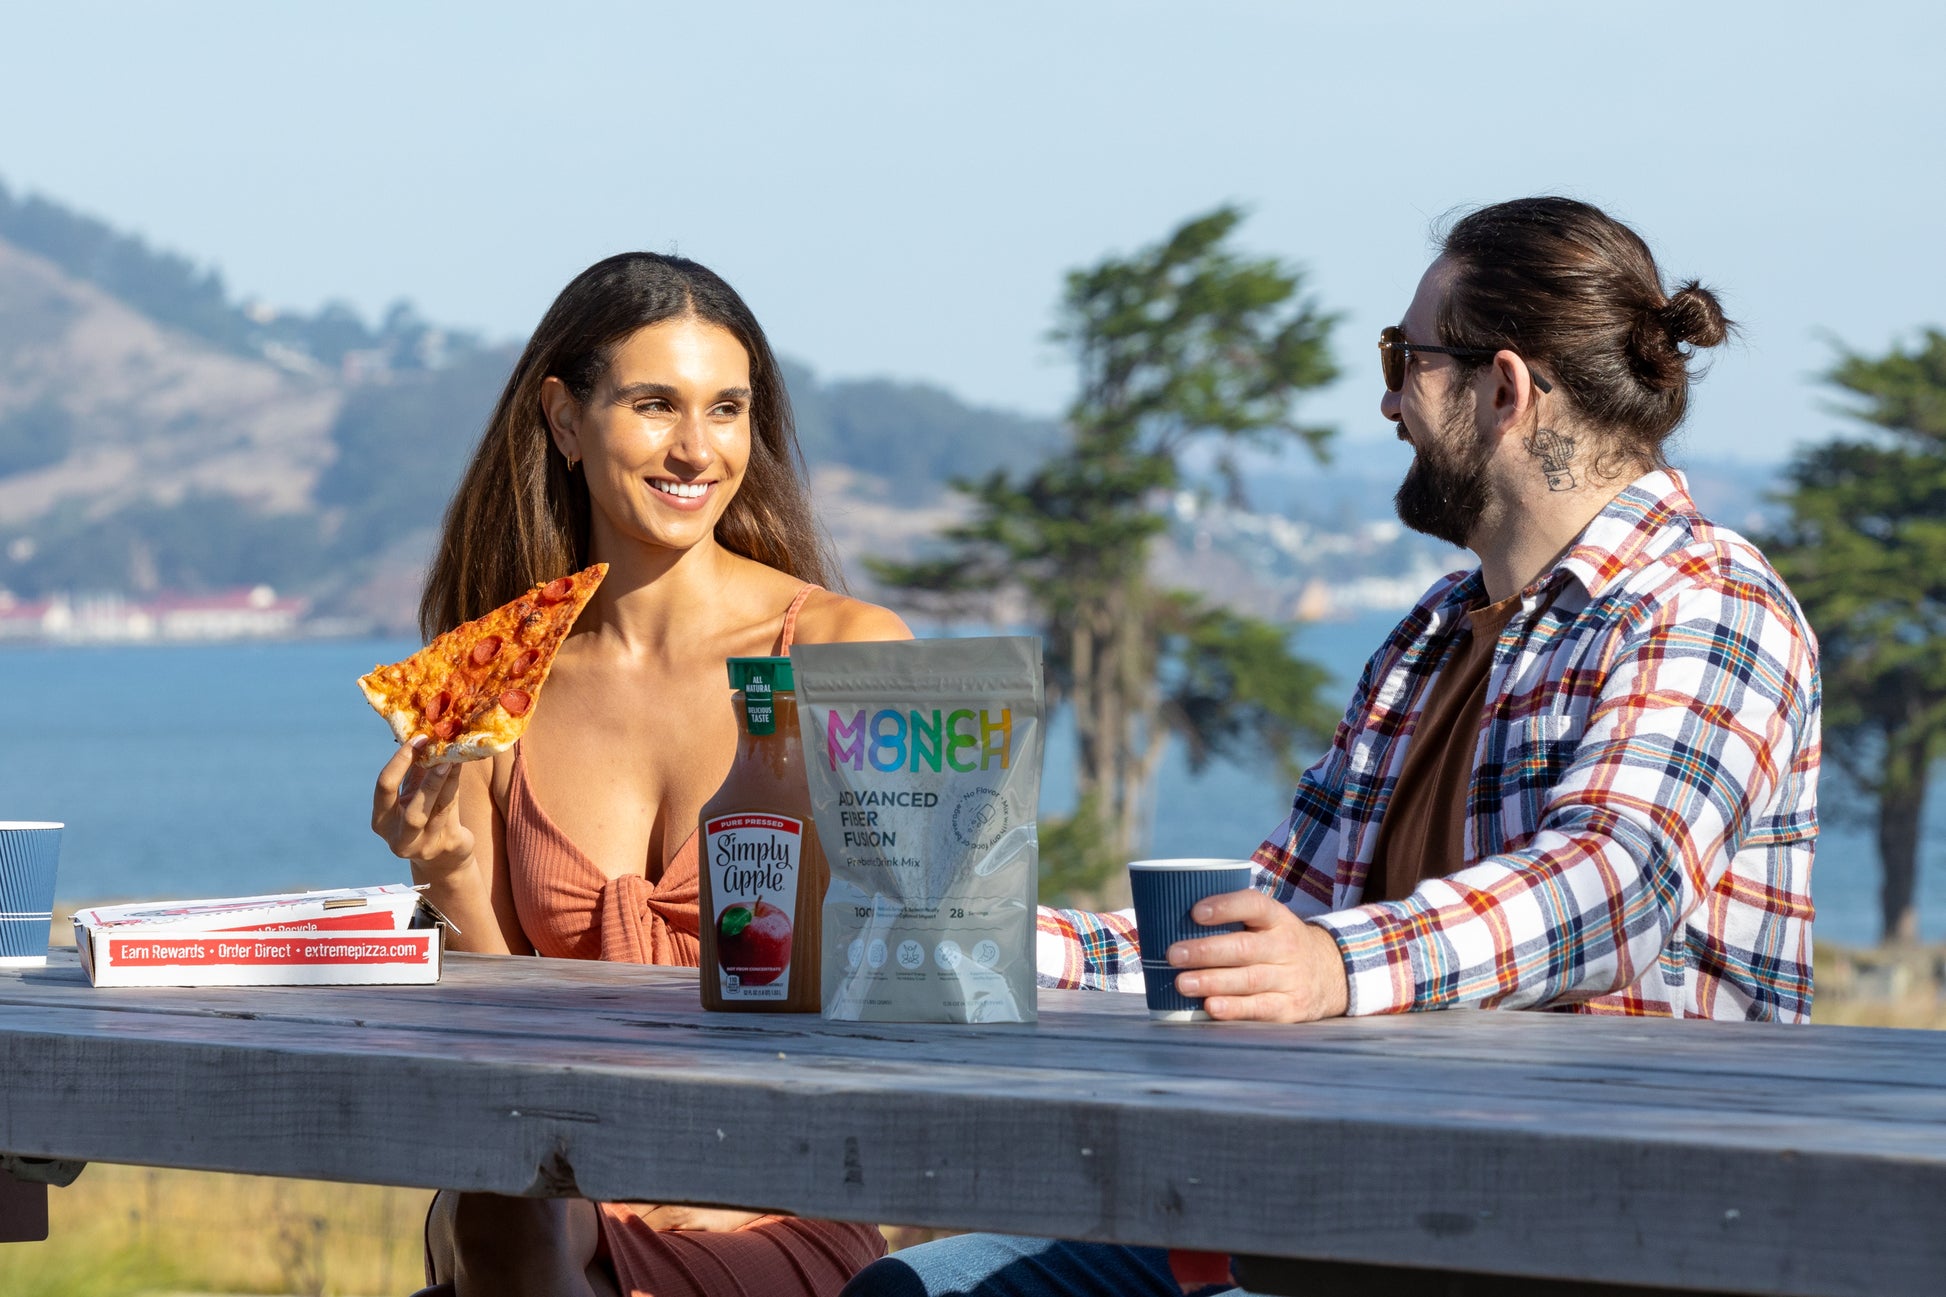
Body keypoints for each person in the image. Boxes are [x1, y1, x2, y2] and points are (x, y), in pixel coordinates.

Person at [844, 197, 1822, 1296]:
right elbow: (1259, 923)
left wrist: (1332, 968)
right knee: (911, 1289)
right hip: (1350, 1214)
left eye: (1405, 359)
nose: (1386, 398)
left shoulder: (1706, 603)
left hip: (1585, 1235)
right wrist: (980, 948)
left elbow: (1611, 884)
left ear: (1502, 388)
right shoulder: (1429, 635)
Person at [371, 251, 909, 1297]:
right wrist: (441, 875)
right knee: (501, 1209)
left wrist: (743, 1157)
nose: (695, 449)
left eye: (726, 409)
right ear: (565, 420)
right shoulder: (489, 666)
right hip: (551, 1177)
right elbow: (494, 1036)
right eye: (655, 405)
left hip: (774, 1182)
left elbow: (909, 981)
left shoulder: (850, 650)